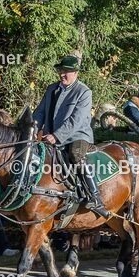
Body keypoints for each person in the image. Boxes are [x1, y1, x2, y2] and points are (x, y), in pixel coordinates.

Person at [32, 54, 109, 217]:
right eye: (61, 70)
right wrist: (32, 128)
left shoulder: (84, 92)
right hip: (49, 137)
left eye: (66, 71)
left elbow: (76, 120)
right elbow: (39, 112)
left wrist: (57, 136)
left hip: (77, 136)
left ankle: (94, 196)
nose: (62, 74)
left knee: (75, 154)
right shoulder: (51, 89)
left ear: (76, 73)